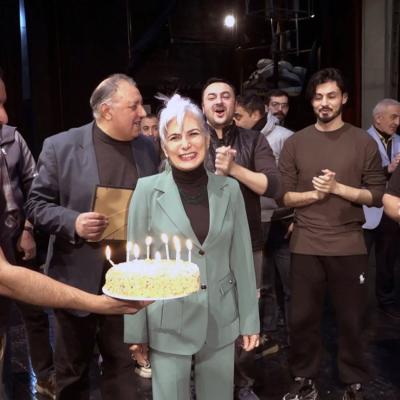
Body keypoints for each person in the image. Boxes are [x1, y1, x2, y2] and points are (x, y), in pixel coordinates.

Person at [26, 73, 158, 400]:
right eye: (134, 106)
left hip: (128, 281)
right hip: (76, 281)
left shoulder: (147, 148)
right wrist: (73, 222)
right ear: (107, 110)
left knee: (122, 370)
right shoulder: (61, 146)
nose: (142, 113)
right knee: (72, 374)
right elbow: (36, 205)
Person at [125, 93, 260, 400]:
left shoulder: (230, 189)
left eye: (193, 134)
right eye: (175, 137)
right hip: (167, 321)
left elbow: (241, 259)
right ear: (164, 146)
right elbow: (136, 267)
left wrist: (250, 320)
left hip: (220, 319)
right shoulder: (146, 191)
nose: (185, 144)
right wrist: (135, 330)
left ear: (207, 138)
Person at [279, 68, 386, 400]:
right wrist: (315, 195)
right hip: (306, 243)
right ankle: (304, 379)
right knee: (302, 320)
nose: (324, 103)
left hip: (349, 244)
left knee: (352, 319)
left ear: (344, 99)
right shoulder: (296, 142)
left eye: (331, 96)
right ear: (311, 102)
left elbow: (376, 195)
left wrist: (338, 188)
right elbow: (284, 197)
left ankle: (353, 382)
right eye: (318, 97)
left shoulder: (363, 142)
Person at [202, 78, 280, 400]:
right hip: (203, 246)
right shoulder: (193, 139)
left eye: (226, 96)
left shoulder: (254, 140)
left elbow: (272, 185)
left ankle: (243, 384)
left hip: (247, 243)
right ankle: (207, 381)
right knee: (205, 312)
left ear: (235, 104)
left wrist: (234, 168)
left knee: (247, 313)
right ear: (203, 105)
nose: (219, 102)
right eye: (211, 97)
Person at [0, 65, 58, 399]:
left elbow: (34, 187)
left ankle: (46, 377)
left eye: (4, 103)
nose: (4, 116)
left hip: (17, 239)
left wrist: (27, 229)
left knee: (34, 313)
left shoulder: (12, 137)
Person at [235, 94, 293, 345]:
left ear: (255, 114)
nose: (234, 121)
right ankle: (266, 332)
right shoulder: (238, 139)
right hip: (255, 219)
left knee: (290, 284)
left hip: (281, 218)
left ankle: (294, 337)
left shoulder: (284, 137)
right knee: (263, 283)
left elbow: (295, 179)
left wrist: (297, 216)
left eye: (239, 116)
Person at [363, 99, 400, 319]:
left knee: (388, 261)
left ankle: (387, 302)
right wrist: (389, 169)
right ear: (378, 118)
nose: (398, 122)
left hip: (391, 213)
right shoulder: (362, 141)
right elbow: (358, 175)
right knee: (359, 262)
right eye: (394, 117)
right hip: (367, 212)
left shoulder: (399, 141)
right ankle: (354, 305)